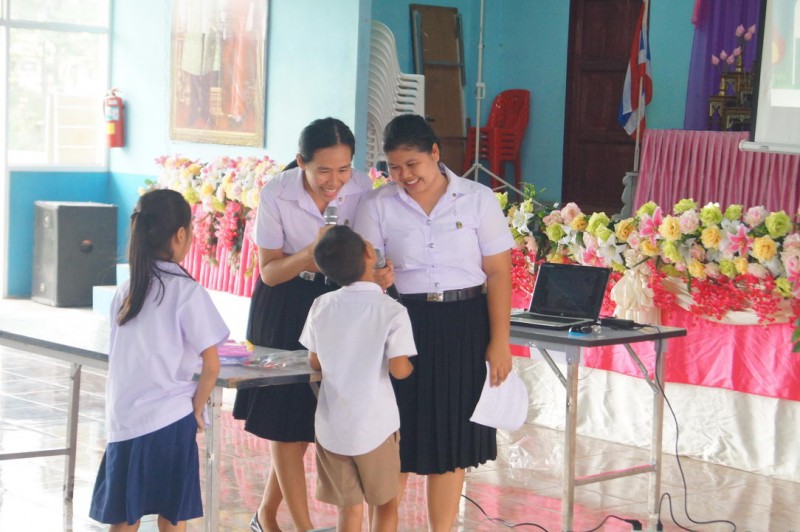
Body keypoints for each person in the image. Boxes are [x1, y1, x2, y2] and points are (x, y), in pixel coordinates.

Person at [352, 113, 515, 531]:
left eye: (413, 164)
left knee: (451, 439)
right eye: (394, 167)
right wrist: (377, 277)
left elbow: (499, 272)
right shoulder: (376, 205)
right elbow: (360, 273)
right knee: (395, 436)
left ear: (435, 154)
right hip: (401, 323)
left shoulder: (477, 199)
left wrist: (500, 341)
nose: (405, 176)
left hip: (464, 325)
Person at [232, 117, 372, 532]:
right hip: (284, 304)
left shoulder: (362, 187)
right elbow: (269, 272)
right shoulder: (277, 192)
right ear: (301, 162)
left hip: (335, 301)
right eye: (324, 170)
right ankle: (301, 527)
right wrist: (312, 253)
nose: (335, 181)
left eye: (343, 169)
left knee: (309, 419)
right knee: (284, 423)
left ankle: (264, 515)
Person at [89, 189, 230, 531]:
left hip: (124, 417)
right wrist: (195, 410)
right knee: (173, 512)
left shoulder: (127, 289)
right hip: (169, 417)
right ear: (180, 234)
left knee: (125, 514)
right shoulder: (186, 290)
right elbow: (211, 365)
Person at [299, 225, 416, 532]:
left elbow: (314, 361)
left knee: (349, 508)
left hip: (332, 426)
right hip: (375, 426)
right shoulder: (391, 310)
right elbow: (399, 369)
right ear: (369, 253)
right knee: (386, 503)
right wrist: (411, 368)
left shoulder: (321, 305)